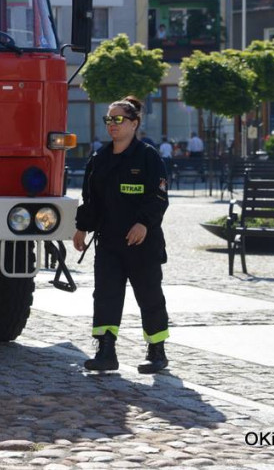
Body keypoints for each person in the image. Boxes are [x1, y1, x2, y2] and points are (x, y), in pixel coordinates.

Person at [72, 95, 170, 374]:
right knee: (105, 296)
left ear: (134, 123)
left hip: (143, 243)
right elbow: (90, 199)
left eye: (118, 119)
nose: (112, 125)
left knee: (150, 296)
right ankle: (106, 350)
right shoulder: (99, 159)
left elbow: (159, 198)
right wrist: (82, 227)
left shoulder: (149, 157)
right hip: (109, 243)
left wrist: (143, 224)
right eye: (108, 120)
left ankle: (156, 351)